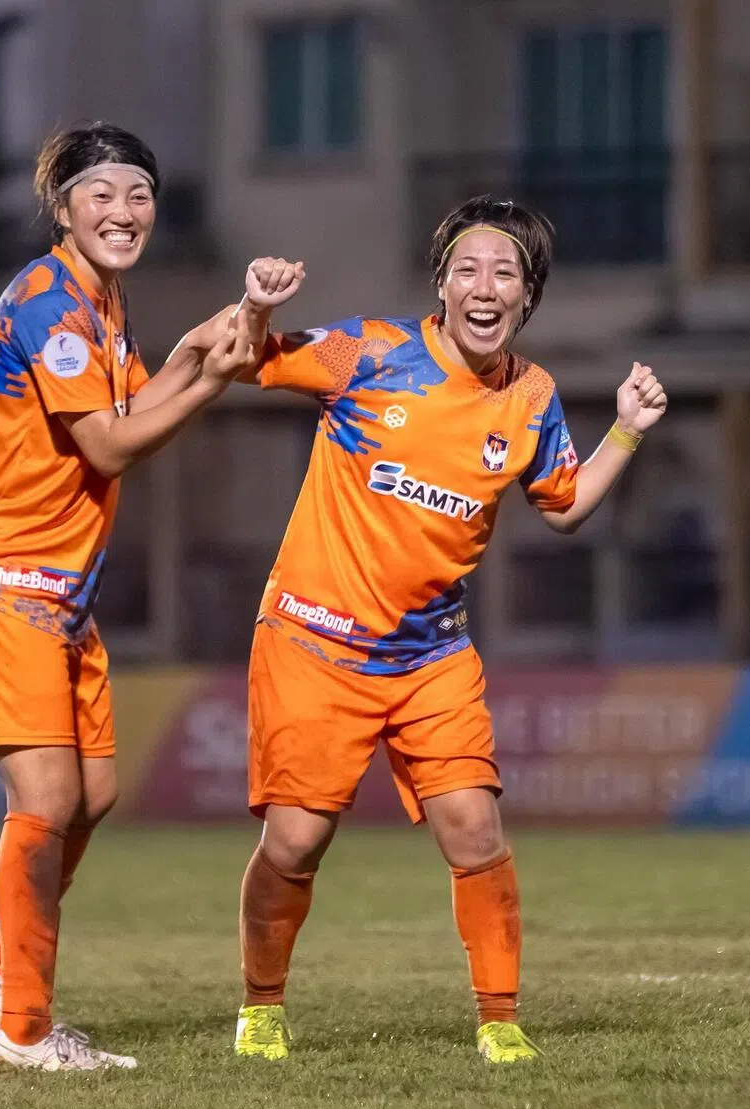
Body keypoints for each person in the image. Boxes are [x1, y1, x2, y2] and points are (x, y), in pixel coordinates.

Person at [232, 195, 668, 1064]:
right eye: (467, 268)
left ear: (527, 296)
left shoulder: (532, 396)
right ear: (440, 283)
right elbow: (246, 361)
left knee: (476, 831)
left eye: (504, 273)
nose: (483, 285)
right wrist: (256, 305)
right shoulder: (372, 352)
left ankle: (500, 1022)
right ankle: (262, 1005)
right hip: (314, 642)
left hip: (432, 657)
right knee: (297, 840)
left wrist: (626, 429)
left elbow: (566, 506)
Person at [0, 121, 303, 1072]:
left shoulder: (102, 301)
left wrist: (220, 333)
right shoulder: (51, 304)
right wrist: (213, 379)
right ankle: (25, 1032)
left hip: (55, 593)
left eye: (138, 194)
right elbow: (110, 444)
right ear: (63, 209)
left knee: (90, 794)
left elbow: (135, 398)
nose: (123, 212)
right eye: (102, 195)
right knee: (45, 798)